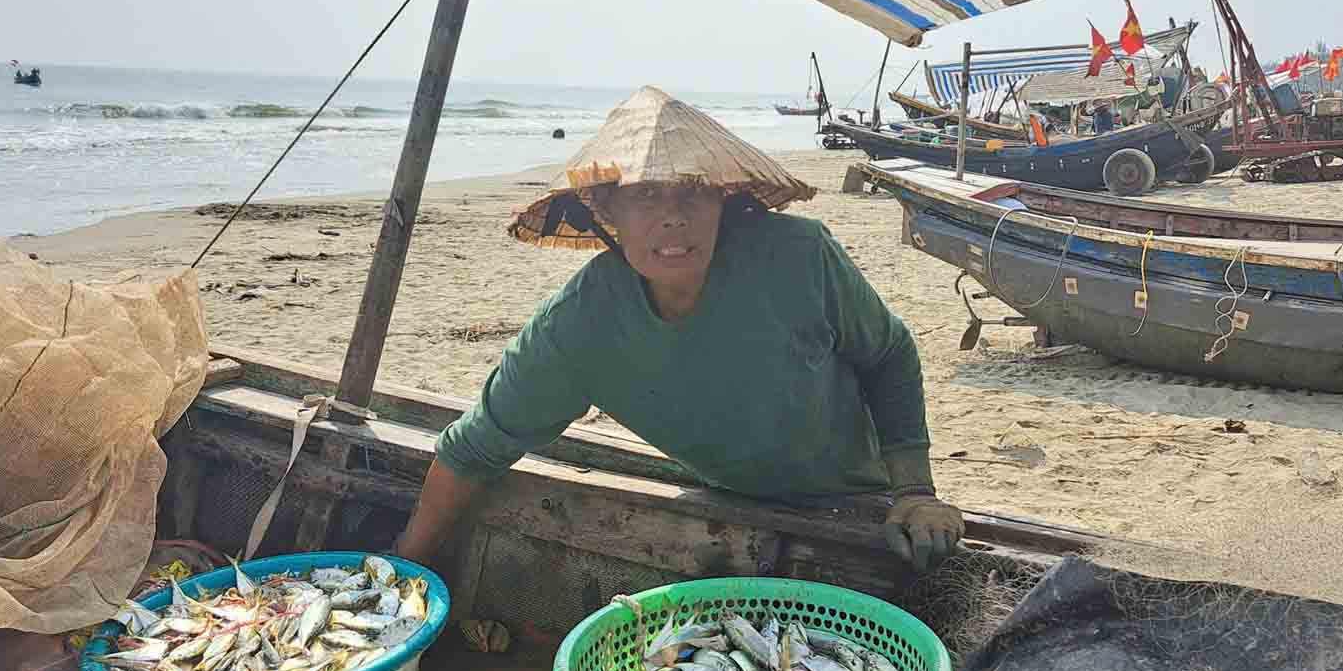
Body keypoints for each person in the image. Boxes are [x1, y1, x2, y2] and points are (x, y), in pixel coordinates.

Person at [395, 87, 964, 572]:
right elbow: (473, 451)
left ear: (723, 200)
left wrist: (914, 491)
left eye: (692, 192)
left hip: (862, 499)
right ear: (606, 214)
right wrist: (405, 569)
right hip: (729, 504)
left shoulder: (800, 257)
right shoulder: (577, 326)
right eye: (644, 195)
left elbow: (888, 352)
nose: (673, 216)